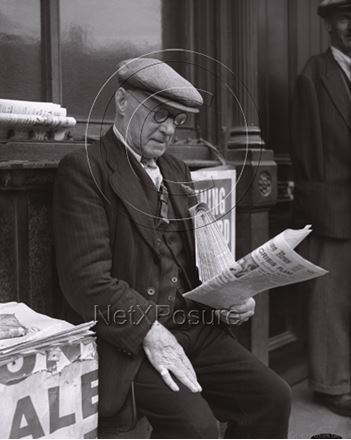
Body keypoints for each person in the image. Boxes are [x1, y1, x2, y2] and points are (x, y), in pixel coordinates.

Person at [53, 57, 291, 438]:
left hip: (194, 325)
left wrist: (231, 296)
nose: (168, 130)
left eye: (176, 121)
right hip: (131, 339)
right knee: (197, 428)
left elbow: (195, 260)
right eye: (159, 114)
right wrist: (150, 329)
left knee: (273, 397)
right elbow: (85, 281)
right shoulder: (85, 169)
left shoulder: (177, 170)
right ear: (122, 102)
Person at [290, 0, 351, 417]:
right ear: (329, 24)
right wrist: (317, 206)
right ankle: (333, 384)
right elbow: (305, 147)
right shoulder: (314, 74)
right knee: (330, 300)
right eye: (346, 18)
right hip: (335, 204)